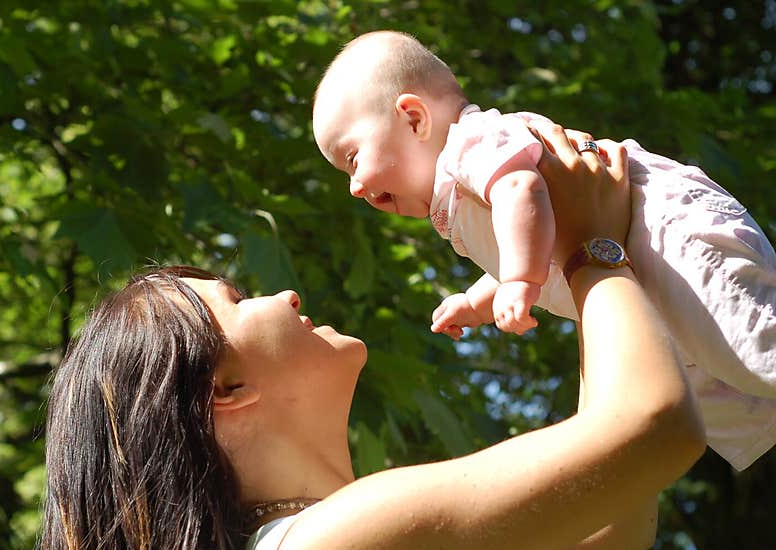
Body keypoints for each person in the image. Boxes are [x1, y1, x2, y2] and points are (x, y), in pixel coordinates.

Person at [40, 123, 705, 550]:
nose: (286, 295)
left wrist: (571, 261)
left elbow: (619, 514)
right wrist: (591, 246)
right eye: (238, 299)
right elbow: (653, 426)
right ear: (226, 389)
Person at [312, 30, 776, 472]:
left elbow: (522, 190)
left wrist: (518, 280)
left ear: (414, 118)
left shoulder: (469, 145)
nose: (354, 187)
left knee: (754, 343)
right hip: (634, 259)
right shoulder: (466, 195)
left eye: (353, 159)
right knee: (731, 398)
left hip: (664, 228)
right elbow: (532, 233)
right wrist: (478, 301)